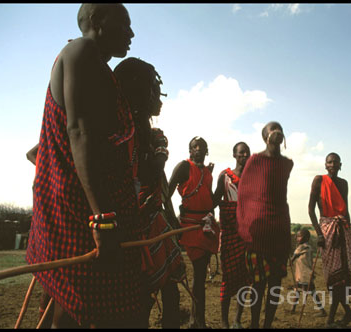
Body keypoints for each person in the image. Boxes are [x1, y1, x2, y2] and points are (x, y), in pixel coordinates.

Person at [25, 4, 144, 328]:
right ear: (96, 20)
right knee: (79, 305)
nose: (131, 33)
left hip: (88, 207)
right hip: (78, 211)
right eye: (124, 23)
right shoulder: (81, 51)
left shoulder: (99, 69)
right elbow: (78, 132)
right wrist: (102, 219)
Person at [113, 57, 185, 329]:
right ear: (135, 90)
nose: (159, 97)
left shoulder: (150, 136)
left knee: (170, 294)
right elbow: (143, 179)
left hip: (152, 224)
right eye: (153, 90)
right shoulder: (119, 132)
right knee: (139, 303)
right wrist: (159, 158)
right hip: (126, 228)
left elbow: (157, 184)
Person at [236, 121, 294, 329]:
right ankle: (253, 324)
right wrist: (246, 225)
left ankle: (267, 324)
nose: (277, 132)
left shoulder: (287, 164)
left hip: (279, 231)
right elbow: (245, 195)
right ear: (265, 136)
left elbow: (281, 197)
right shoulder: (255, 161)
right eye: (272, 129)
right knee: (258, 285)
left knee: (275, 285)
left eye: (280, 128)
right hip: (258, 233)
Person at [168, 136, 220, 328]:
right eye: (194, 146)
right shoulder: (183, 167)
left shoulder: (207, 172)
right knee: (198, 274)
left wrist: (220, 188)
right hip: (189, 225)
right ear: (190, 150)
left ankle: (196, 320)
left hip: (205, 226)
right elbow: (167, 192)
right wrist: (173, 221)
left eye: (202, 147)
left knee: (200, 276)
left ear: (206, 151)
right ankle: (196, 321)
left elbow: (207, 198)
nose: (198, 149)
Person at [308, 152, 351, 328]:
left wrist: (350, 237)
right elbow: (311, 210)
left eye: (336, 162)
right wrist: (319, 234)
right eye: (329, 162)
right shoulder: (319, 181)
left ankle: (331, 319)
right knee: (333, 277)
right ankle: (347, 313)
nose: (333, 164)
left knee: (342, 277)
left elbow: (346, 211)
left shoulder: (343, 184)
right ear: (325, 165)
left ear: (340, 165)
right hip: (327, 231)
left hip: (343, 232)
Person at [213, 141, 251, 329]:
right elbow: (214, 200)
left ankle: (237, 320)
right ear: (234, 155)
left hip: (247, 235)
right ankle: (224, 321)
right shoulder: (225, 177)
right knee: (227, 278)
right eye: (241, 153)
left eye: (247, 153)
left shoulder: (253, 178)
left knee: (245, 279)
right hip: (228, 235)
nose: (244, 156)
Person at [289, 228, 327, 316]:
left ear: (306, 238)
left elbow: (293, 257)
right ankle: (293, 308)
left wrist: (290, 260)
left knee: (311, 291)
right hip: (302, 274)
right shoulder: (307, 247)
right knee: (298, 290)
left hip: (305, 274)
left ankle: (322, 310)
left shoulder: (303, 247)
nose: (297, 238)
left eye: (299, 236)